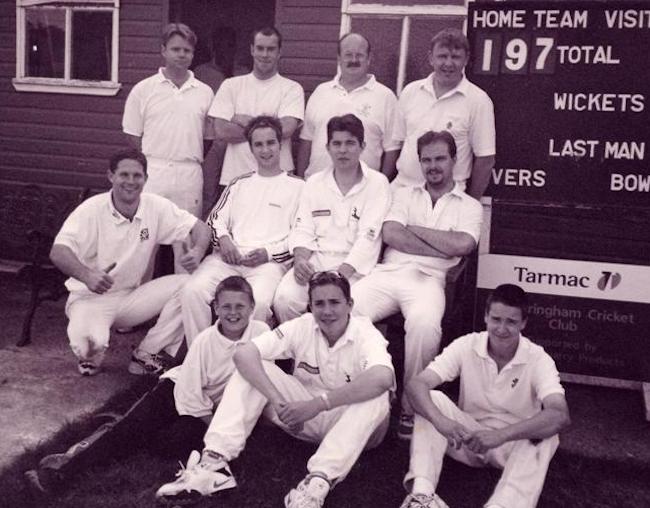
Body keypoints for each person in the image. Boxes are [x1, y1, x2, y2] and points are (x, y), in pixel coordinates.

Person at [156, 271, 395, 508]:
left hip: (356, 428)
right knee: (253, 368)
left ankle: (317, 484)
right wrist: (281, 404)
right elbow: (244, 354)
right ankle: (215, 464)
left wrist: (316, 405)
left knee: (377, 394)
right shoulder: (302, 326)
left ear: (350, 304)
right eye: (319, 303)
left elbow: (383, 377)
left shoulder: (365, 332)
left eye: (335, 302)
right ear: (310, 306)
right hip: (302, 420)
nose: (327, 311)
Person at [26, 277, 269, 493]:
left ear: (252, 308)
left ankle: (121, 425)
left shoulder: (262, 333)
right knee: (130, 430)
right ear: (216, 308)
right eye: (226, 306)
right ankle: (61, 471)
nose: (233, 313)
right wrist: (215, 426)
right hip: (178, 392)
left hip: (211, 407)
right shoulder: (205, 342)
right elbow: (189, 395)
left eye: (240, 306)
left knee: (169, 445)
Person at [352, 130, 482, 440]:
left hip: (430, 280)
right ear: (420, 163)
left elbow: (463, 244)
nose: (433, 166)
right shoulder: (404, 194)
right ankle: (361, 392)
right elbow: (393, 234)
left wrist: (415, 231)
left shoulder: (469, 205)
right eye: (427, 160)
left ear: (454, 160)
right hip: (388, 272)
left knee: (425, 325)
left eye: (440, 159)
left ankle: (412, 407)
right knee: (348, 310)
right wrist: (441, 245)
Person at [400, 284, 571, 508]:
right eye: (496, 319)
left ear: (523, 323)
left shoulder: (538, 358)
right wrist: (441, 421)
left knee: (546, 433)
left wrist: (501, 435)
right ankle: (421, 496)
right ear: (486, 317)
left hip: (512, 447)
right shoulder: (467, 344)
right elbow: (416, 385)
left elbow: (560, 415)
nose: (501, 328)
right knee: (431, 398)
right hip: (466, 439)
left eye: (511, 321)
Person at [49, 149, 211, 376]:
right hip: (89, 299)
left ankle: (146, 353)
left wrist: (197, 250)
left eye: (137, 176)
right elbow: (58, 252)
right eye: (124, 175)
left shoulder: (155, 206)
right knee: (89, 351)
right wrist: (87, 275)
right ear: (111, 176)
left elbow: (200, 227)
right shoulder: (91, 209)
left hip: (129, 298)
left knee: (189, 285)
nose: (131, 182)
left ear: (145, 178)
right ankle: (92, 352)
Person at [181, 116, 304, 343]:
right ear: (251, 148)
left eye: (271, 143)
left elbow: (301, 234)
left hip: (268, 265)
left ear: (280, 145)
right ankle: (200, 356)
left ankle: (246, 366)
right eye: (258, 144)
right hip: (226, 260)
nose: (265, 150)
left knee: (258, 304)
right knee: (192, 291)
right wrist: (225, 240)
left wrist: (268, 253)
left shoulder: (299, 187)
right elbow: (215, 219)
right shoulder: (239, 183)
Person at [273, 113, 391, 322]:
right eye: (336, 143)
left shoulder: (378, 183)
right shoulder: (314, 183)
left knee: (347, 311)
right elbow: (303, 229)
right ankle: (300, 353)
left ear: (362, 146)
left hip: (355, 271)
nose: (343, 150)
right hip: (315, 263)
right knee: (285, 299)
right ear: (327, 147)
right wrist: (300, 260)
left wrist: (339, 276)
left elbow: (368, 237)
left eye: (350, 143)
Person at [122, 23, 214, 271]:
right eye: (176, 49)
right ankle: (138, 303)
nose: (181, 54)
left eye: (187, 50)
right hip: (154, 171)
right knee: (144, 239)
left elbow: (207, 137)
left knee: (184, 241)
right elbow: (133, 135)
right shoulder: (143, 90)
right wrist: (155, 160)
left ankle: (180, 304)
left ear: (193, 54)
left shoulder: (205, 92)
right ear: (163, 50)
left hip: (189, 174)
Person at [390, 28, 495, 199]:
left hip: (448, 197)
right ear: (431, 57)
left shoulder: (478, 100)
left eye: (455, 57)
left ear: (466, 59)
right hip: (402, 190)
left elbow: (485, 159)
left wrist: (469, 203)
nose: (448, 63)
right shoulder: (410, 92)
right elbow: (397, 144)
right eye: (442, 56)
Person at [208, 26, 304, 187]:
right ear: (252, 50)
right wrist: (271, 127)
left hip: (280, 179)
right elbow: (221, 131)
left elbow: (286, 129)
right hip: (236, 177)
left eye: (271, 49)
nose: (265, 54)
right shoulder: (231, 85)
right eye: (260, 48)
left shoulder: (292, 88)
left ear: (279, 52)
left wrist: (244, 121)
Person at [296, 32, 400, 180]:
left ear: (369, 58)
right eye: (348, 54)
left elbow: (392, 149)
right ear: (339, 58)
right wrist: (301, 180)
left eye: (359, 55)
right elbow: (306, 140)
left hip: (363, 191)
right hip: (317, 188)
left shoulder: (386, 97)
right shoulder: (320, 92)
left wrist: (380, 185)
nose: (353, 60)